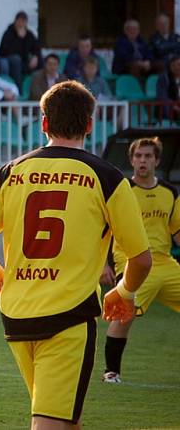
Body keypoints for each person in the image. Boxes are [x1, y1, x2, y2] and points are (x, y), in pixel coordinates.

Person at [0, 80, 153, 429]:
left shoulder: (9, 172)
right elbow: (141, 260)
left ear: (44, 123)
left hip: (16, 315)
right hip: (68, 317)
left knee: (65, 418)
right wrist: (123, 292)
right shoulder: (107, 178)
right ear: (90, 125)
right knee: (50, 423)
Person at [103, 137, 180, 384]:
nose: (142, 160)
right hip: (132, 263)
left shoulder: (171, 192)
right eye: (138, 156)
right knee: (123, 316)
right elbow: (103, 229)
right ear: (131, 160)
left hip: (165, 264)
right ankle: (111, 372)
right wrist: (104, 264)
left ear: (157, 160)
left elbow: (177, 232)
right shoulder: (121, 190)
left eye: (148, 156)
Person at [0, 11, 42, 88]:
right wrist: (19, 38)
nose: (21, 24)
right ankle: (19, 90)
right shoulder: (8, 33)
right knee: (16, 59)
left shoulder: (29, 34)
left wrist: (35, 56)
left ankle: (40, 88)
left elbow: (36, 48)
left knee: (41, 61)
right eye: (19, 21)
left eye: (23, 22)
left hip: (24, 62)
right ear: (15, 21)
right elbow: (5, 51)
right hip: (9, 61)